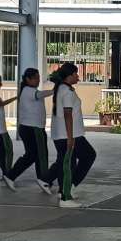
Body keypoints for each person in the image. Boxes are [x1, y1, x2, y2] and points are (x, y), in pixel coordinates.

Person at [42, 62, 97, 206]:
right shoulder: (66, 91)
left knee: (68, 163)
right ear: (69, 75)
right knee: (73, 162)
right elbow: (67, 114)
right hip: (68, 134)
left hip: (65, 134)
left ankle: (66, 190)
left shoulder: (62, 88)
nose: (78, 76)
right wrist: (70, 137)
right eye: (76, 74)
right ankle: (66, 196)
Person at [3, 67, 55, 193]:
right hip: (33, 129)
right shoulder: (28, 90)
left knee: (33, 155)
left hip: (28, 128)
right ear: (28, 79)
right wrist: (54, 90)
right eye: (35, 78)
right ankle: (44, 179)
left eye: (38, 78)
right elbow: (40, 94)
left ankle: (12, 176)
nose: (38, 80)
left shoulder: (27, 90)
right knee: (40, 155)